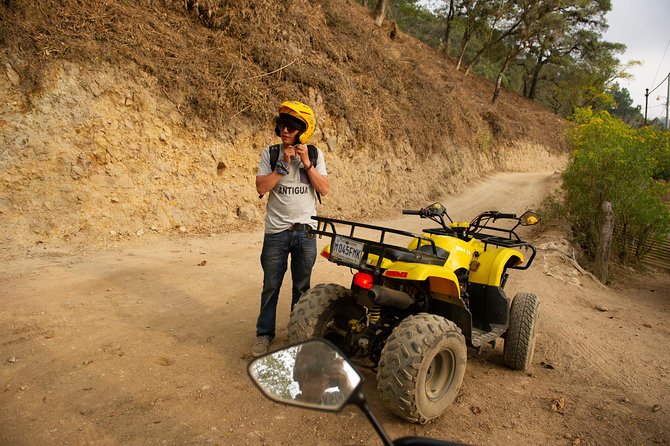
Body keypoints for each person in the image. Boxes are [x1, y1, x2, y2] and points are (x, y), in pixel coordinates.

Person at [252, 101, 329, 357]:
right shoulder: (271, 153)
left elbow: (324, 189)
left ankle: (297, 335)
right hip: (276, 232)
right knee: (271, 285)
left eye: (291, 127)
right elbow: (262, 187)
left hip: (306, 232)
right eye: (282, 125)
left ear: (301, 130)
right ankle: (264, 335)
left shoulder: (315, 155)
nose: (284, 130)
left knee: (302, 287)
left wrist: (306, 163)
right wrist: (282, 166)